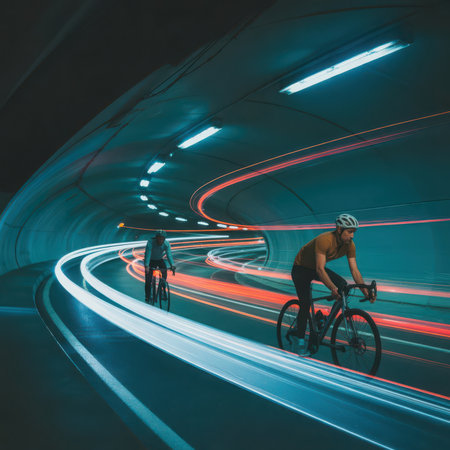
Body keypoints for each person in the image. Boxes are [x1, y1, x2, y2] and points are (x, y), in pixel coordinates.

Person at [291, 213, 376, 355]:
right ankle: (300, 341)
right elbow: (319, 269)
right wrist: (332, 288)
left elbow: (355, 271)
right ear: (339, 229)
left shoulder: (350, 245)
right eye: (349, 232)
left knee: (343, 285)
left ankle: (322, 319)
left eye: (354, 232)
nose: (352, 236)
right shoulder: (325, 240)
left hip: (316, 268)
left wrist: (366, 293)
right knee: (305, 304)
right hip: (301, 269)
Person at [144, 229, 175, 303]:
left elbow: (169, 255)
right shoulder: (150, 242)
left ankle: (162, 289)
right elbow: (147, 254)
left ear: (164, 239)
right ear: (156, 238)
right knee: (148, 280)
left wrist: (172, 265)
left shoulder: (166, 244)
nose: (160, 240)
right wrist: (147, 266)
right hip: (150, 260)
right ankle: (147, 296)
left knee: (164, 274)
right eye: (159, 238)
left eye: (162, 239)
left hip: (159, 260)